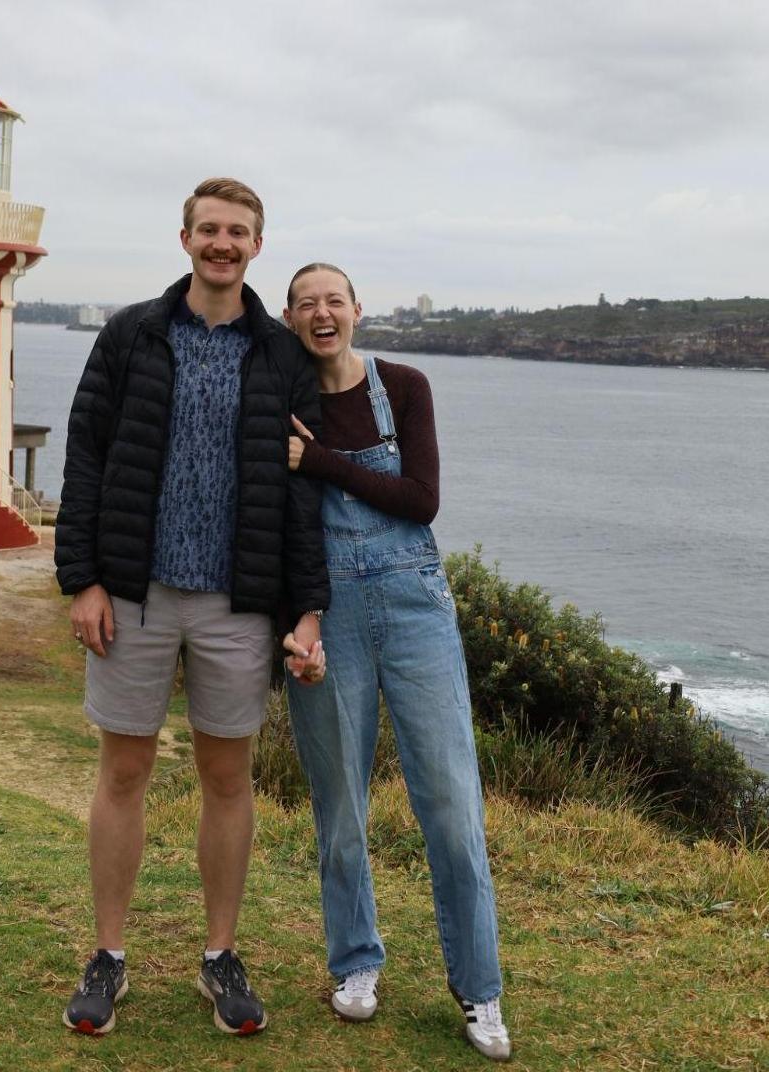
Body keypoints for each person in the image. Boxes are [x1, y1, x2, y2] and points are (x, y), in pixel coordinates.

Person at [54, 179, 329, 1037]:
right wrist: (82, 579)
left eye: (237, 231)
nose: (222, 243)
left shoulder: (281, 353)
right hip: (131, 593)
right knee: (123, 773)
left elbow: (300, 494)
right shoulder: (130, 333)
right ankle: (107, 956)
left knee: (227, 778)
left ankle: (219, 956)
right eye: (208, 229)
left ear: (256, 245)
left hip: (237, 603)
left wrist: (306, 609)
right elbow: (86, 457)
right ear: (184, 239)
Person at [281, 263, 511, 1061]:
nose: (321, 314)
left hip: (414, 605)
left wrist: (319, 462)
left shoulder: (404, 386)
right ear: (288, 318)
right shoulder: (281, 400)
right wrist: (297, 621)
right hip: (326, 612)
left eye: (333, 301)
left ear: (356, 310)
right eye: (306, 304)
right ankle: (355, 962)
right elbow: (280, 524)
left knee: (450, 803)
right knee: (339, 803)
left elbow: (420, 500)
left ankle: (479, 988)